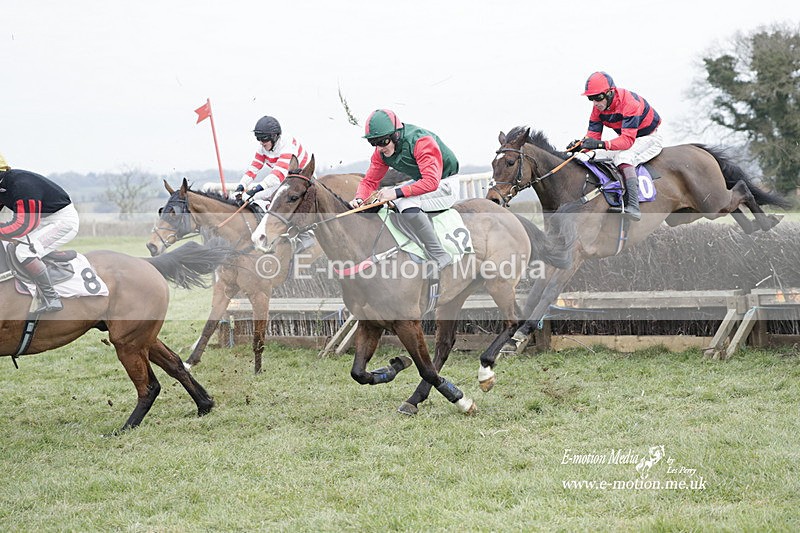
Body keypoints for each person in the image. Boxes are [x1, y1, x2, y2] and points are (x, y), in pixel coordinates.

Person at [350, 109, 460, 272]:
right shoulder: (381, 152)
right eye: (374, 143)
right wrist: (360, 198)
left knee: (404, 200)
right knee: (386, 201)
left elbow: (431, 182)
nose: (379, 148)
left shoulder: (421, 141)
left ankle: (440, 255)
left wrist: (395, 193)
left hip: (445, 183)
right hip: (423, 182)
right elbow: (369, 181)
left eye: (382, 142)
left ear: (396, 135)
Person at [568, 71, 663, 221]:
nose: (595, 103)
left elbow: (627, 141)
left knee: (623, 157)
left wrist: (599, 144)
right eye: (590, 98)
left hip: (648, 138)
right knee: (590, 156)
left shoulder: (630, 104)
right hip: (629, 137)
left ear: (610, 92)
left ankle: (633, 205)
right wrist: (582, 147)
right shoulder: (597, 109)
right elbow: (593, 136)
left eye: (598, 97)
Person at [0, 154, 80, 312]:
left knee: (24, 252)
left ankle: (51, 297)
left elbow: (24, 225)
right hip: (41, 221)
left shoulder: (22, 185)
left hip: (61, 221)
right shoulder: (3, 185)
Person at [233, 115, 312, 209]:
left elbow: (278, 174)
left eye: (264, 138)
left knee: (256, 196)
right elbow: (253, 169)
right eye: (258, 138)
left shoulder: (287, 143)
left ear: (274, 136)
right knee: (256, 196)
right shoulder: (262, 148)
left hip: (303, 179)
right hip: (287, 180)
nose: (261, 142)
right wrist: (241, 186)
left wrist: (255, 189)